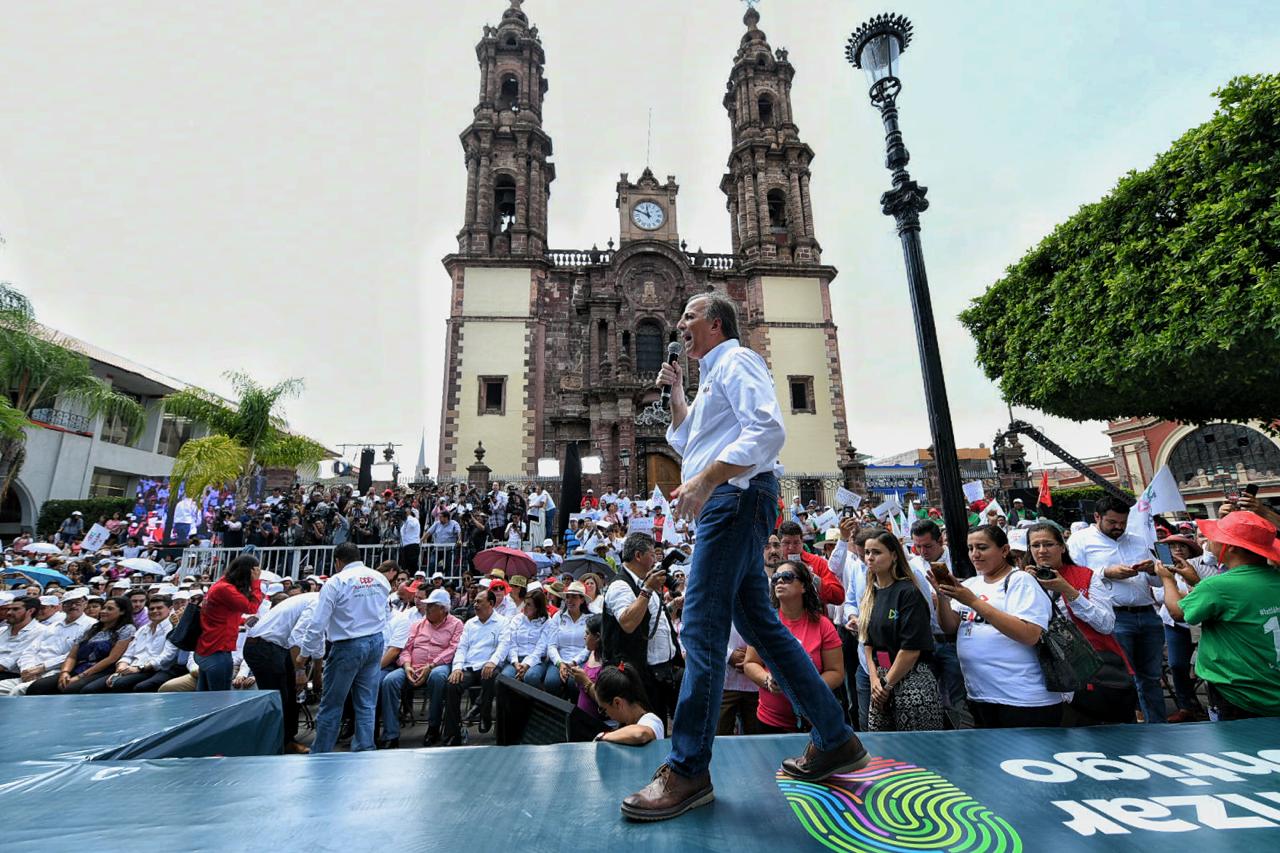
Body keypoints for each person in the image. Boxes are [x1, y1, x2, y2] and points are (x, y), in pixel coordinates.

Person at [621, 293, 867, 823]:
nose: (679, 324)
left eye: (688, 316)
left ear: (714, 323)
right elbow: (693, 440)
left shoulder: (737, 360)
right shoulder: (712, 374)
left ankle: (687, 769)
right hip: (732, 502)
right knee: (764, 626)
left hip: (733, 501)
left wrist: (708, 480)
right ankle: (835, 738)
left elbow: (767, 430)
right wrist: (678, 393)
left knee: (702, 630)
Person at [933, 525, 1061, 728]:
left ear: (1004, 550)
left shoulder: (1020, 581)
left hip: (1023, 699)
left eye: (982, 547)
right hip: (980, 696)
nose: (975, 554)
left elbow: (1029, 634)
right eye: (970, 548)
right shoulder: (972, 584)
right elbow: (950, 627)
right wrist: (941, 595)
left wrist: (974, 602)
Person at [1158, 510, 1280, 720]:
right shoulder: (1274, 578)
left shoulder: (1218, 586)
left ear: (1230, 546)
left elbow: (1177, 612)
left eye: (1214, 536)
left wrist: (1167, 578)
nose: (1208, 542)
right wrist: (1197, 581)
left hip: (1237, 695)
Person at [1067, 494, 1165, 723]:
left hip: (1147, 614)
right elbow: (1074, 577)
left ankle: (1159, 726)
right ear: (1097, 517)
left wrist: (1152, 570)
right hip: (1114, 618)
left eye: (1122, 523)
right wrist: (1106, 572)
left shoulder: (1137, 540)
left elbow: (1158, 582)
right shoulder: (1080, 541)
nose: (1118, 528)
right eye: (1112, 523)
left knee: (1151, 677)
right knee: (1122, 678)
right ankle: (1127, 727)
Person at [1024, 521, 1132, 725]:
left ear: (1062, 547)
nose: (1042, 551)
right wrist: (1026, 585)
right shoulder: (1022, 580)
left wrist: (1068, 591)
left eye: (1048, 544)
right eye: (1035, 545)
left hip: (1094, 673)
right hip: (1046, 676)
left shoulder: (1085, 575)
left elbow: (1106, 624)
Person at [298, 546, 395, 753]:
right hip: (375, 641)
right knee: (366, 702)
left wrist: (304, 654)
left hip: (348, 645)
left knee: (332, 703)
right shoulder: (379, 578)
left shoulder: (336, 582)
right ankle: (365, 747)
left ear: (338, 561)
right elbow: (386, 613)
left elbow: (317, 623)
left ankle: (321, 751)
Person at [742, 558, 845, 734]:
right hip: (769, 722)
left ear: (804, 586)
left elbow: (836, 672)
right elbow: (750, 663)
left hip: (813, 721)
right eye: (776, 578)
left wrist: (806, 686)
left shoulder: (823, 625)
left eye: (787, 577)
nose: (780, 581)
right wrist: (767, 680)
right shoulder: (764, 624)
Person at [858, 531, 942, 732]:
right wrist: (875, 680)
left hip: (912, 679)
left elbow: (911, 649)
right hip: (880, 682)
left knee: (916, 751)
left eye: (877, 552)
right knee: (882, 751)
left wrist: (887, 684)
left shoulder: (908, 592)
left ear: (894, 555)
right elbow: (867, 643)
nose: (870, 557)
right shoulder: (871, 593)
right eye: (867, 552)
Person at [602, 533, 682, 726]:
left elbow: (653, 621)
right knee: (648, 729)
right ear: (638, 556)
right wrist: (647, 590)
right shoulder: (620, 586)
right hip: (639, 676)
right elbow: (628, 623)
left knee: (665, 724)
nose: (656, 561)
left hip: (662, 670)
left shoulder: (644, 583)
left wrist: (673, 607)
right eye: (652, 555)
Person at [243, 589, 323, 754]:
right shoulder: (318, 603)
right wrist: (300, 672)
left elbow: (317, 639)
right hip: (264, 647)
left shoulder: (317, 601)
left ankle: (286, 740)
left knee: (288, 697)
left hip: (274, 647)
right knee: (280, 699)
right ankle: (279, 743)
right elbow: (298, 637)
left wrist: (316, 677)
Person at [382, 588, 462, 748]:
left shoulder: (456, 624)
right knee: (389, 681)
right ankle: (391, 734)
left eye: (431, 606)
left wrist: (431, 665)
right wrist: (406, 665)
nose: (427, 609)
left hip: (438, 665)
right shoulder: (417, 624)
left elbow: (453, 649)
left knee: (438, 678)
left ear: (442, 609)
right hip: (412, 666)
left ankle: (433, 727)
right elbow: (406, 647)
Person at [1155, 533, 1214, 722]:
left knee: (1209, 664)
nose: (1178, 550)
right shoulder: (1161, 570)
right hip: (1176, 625)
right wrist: (1168, 581)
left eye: (1182, 546)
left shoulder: (1204, 566)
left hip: (1202, 623)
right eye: (1172, 546)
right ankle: (1186, 706)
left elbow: (1206, 592)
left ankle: (1214, 704)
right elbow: (1159, 596)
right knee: (1177, 665)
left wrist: (1182, 591)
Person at [27, 597, 135, 695]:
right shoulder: (92, 628)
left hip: (101, 670)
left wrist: (80, 676)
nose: (103, 611)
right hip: (79, 667)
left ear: (122, 611)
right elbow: (72, 656)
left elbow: (112, 658)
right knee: (38, 686)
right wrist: (65, 672)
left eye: (109, 609)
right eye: (104, 608)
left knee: (72, 689)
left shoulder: (126, 629)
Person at [442, 588, 507, 746]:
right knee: (452, 684)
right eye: (475, 601)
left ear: (491, 604)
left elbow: (503, 646)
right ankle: (452, 732)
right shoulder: (470, 624)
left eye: (479, 601)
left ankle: (483, 713)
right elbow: (462, 648)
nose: (475, 604)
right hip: (470, 666)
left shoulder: (503, 622)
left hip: (489, 665)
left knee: (491, 676)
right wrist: (457, 668)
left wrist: (493, 661)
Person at [2, 589, 95, 696]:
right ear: (62, 606)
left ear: (85, 604)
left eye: (77, 603)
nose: (73, 606)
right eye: (68, 603)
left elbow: (74, 655)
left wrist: (42, 667)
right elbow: (30, 650)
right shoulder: (52, 626)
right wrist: (28, 669)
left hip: (55, 670)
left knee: (18, 690)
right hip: (31, 670)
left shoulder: (91, 626)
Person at [196, 555, 263, 691]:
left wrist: (241, 620)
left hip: (208, 647)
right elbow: (251, 607)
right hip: (217, 650)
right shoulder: (225, 589)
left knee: (203, 698)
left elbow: (222, 614)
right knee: (220, 700)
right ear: (248, 572)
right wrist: (256, 583)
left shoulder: (221, 583)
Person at [86, 595, 177, 693]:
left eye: (159, 608)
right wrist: (121, 667)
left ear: (170, 609)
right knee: (90, 689)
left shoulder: (173, 628)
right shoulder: (143, 629)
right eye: (151, 609)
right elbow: (128, 653)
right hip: (132, 668)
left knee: (122, 684)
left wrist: (139, 668)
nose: (154, 611)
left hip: (154, 669)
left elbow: (167, 656)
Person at [594, 663, 665, 746]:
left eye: (603, 710)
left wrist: (604, 736)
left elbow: (639, 734)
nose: (606, 715)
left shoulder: (651, 720)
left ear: (617, 703)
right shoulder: (625, 725)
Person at [777, 521, 845, 606]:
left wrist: (813, 577)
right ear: (779, 544)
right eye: (786, 543)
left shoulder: (818, 562)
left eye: (796, 542)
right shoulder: (773, 564)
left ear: (802, 542)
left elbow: (838, 597)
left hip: (813, 617)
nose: (791, 547)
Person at [543, 581, 591, 698]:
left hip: (580, 661)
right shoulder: (557, 617)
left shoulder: (589, 619)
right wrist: (560, 663)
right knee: (551, 682)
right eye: (568, 597)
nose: (569, 600)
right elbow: (552, 645)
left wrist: (574, 662)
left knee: (574, 683)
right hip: (559, 659)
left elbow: (588, 647)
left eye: (574, 597)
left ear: (582, 600)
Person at [496, 589, 551, 687]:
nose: (524, 607)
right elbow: (511, 643)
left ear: (538, 607)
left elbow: (541, 648)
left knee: (531, 677)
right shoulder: (517, 619)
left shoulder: (546, 622)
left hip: (536, 661)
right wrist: (515, 662)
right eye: (524, 603)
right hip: (516, 659)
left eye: (529, 605)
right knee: (505, 677)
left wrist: (526, 664)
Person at [568, 614, 606, 721]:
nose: (584, 636)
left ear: (598, 637)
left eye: (587, 633)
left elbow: (604, 702)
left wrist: (584, 681)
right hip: (582, 717)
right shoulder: (592, 652)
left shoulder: (607, 665)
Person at [0, 595, 46, 680]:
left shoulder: (40, 631)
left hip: (13, 675)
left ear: (30, 611)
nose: (9, 613)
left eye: (15, 609)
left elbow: (13, 659)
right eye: (9, 609)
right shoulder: (2, 630)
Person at [399, 507, 422, 577]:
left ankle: (415, 581)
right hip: (405, 546)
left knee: (412, 566)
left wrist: (408, 515)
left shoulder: (413, 520)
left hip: (413, 545)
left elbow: (412, 525)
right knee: (404, 567)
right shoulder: (404, 523)